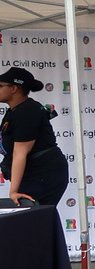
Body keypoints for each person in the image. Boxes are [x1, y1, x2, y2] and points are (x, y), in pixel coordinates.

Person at [0, 67, 69, 207]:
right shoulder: (14, 111)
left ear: (14, 88)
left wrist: (13, 191)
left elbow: (20, 153)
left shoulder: (27, 111)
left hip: (43, 175)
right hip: (35, 174)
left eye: (0, 86)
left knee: (30, 220)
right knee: (30, 222)